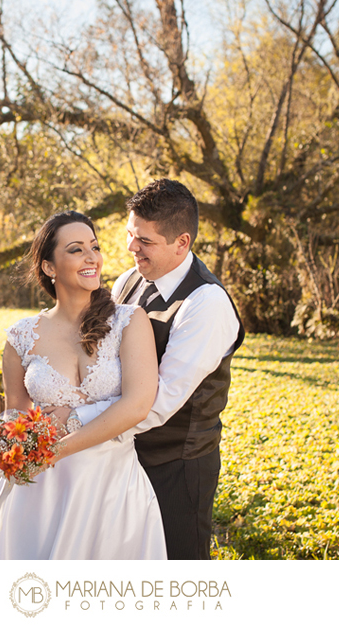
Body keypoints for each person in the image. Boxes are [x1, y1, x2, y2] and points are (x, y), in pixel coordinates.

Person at [70, 178, 245, 559]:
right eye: (131, 235)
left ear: (182, 242)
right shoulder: (128, 281)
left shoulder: (206, 304)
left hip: (176, 468)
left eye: (145, 241)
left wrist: (74, 423)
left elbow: (159, 401)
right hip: (119, 453)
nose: (131, 248)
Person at [0, 210, 167, 560]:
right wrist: (7, 445)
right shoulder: (21, 336)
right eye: (76, 249)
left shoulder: (129, 320)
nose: (92, 257)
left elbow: (139, 403)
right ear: (49, 267)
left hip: (112, 486)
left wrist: (55, 448)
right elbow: (14, 412)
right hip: (41, 492)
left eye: (94, 247)